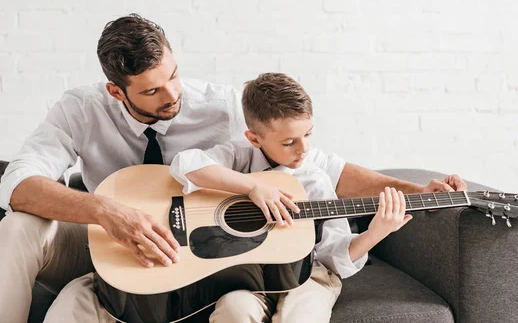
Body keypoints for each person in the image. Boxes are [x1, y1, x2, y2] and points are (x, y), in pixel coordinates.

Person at [0, 14, 468, 323]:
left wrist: (413, 188)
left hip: (198, 255)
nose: (173, 96)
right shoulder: (79, 109)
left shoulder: (224, 105)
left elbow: (321, 167)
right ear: (116, 91)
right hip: (111, 243)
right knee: (20, 228)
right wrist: (107, 211)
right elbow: (19, 184)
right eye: (152, 91)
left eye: (175, 76)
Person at [169, 72, 413, 322]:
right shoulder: (238, 157)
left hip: (308, 275)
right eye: (289, 142)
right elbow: (185, 164)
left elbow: (332, 255)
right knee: (233, 311)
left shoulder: (314, 180)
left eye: (308, 134)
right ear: (254, 138)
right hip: (247, 277)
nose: (304, 149)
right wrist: (253, 187)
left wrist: (375, 233)